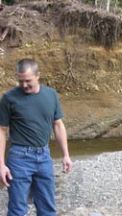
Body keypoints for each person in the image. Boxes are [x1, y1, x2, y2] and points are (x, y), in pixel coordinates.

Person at [0, 58, 72, 216]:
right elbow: (2, 131)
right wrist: (1, 164)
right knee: (17, 210)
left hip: (44, 156)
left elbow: (58, 125)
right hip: (19, 158)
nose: (24, 85)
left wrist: (66, 155)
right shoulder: (9, 98)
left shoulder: (51, 95)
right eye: (20, 81)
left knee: (47, 208)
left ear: (38, 76)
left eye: (28, 81)